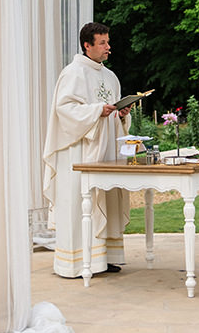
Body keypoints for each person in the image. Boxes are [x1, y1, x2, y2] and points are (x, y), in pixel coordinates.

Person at [42, 22, 132, 279]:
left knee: (107, 200)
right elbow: (64, 110)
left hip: (105, 150)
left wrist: (121, 114)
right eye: (102, 43)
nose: (108, 47)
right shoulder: (73, 73)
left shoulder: (110, 76)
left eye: (108, 42)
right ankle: (77, 262)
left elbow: (113, 113)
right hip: (79, 151)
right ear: (87, 45)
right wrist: (97, 111)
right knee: (80, 203)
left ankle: (103, 258)